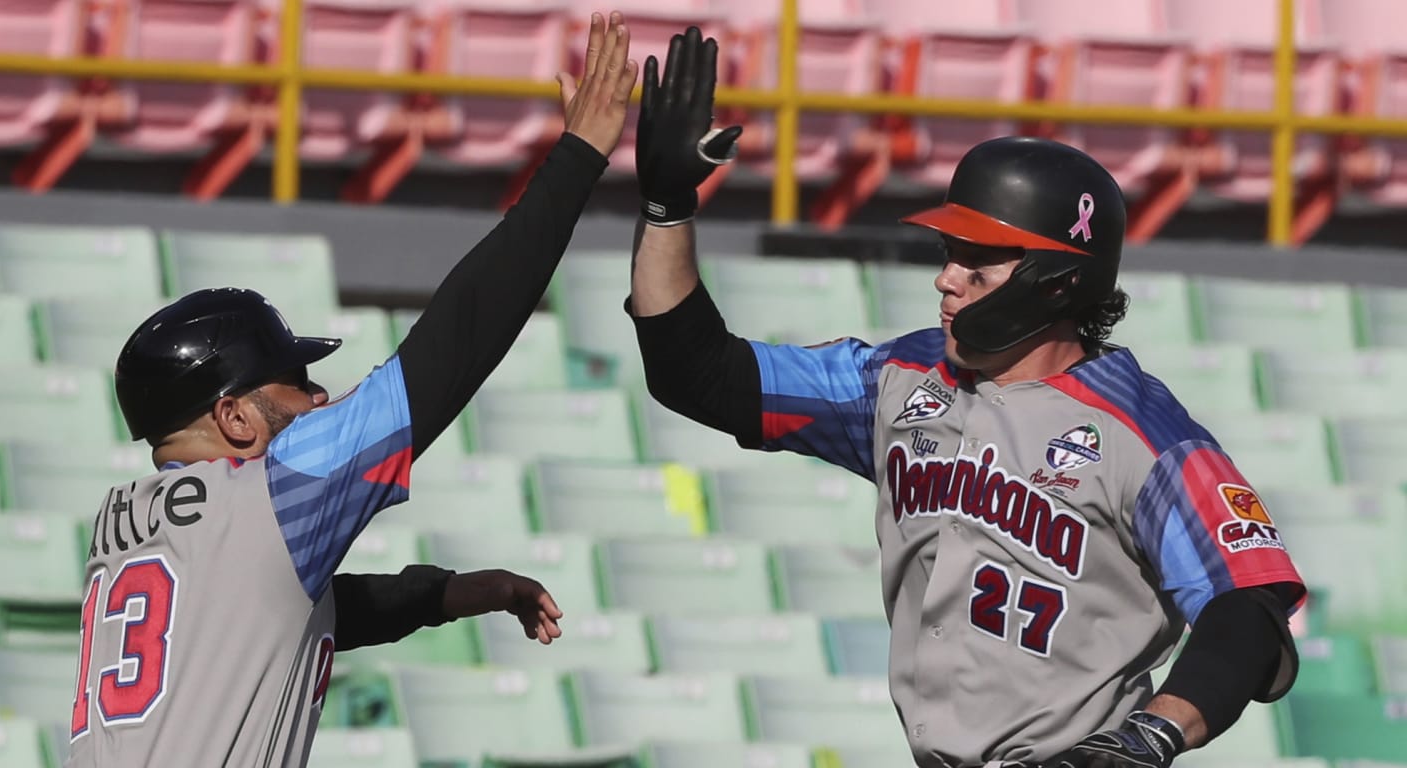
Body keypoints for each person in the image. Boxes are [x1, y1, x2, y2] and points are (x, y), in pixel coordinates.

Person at [625, 27, 1306, 768]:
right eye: (950, 254)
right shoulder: (900, 377)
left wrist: (1150, 735)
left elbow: (1248, 607)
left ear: (1057, 280)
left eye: (978, 262)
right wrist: (667, 208)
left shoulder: (1143, 432)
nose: (946, 279)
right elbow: (698, 375)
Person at [64, 13, 640, 767]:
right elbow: (452, 346)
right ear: (233, 416)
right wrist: (579, 157)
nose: (317, 399)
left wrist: (441, 595)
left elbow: (293, 605)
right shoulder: (270, 493)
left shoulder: (128, 523)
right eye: (295, 385)